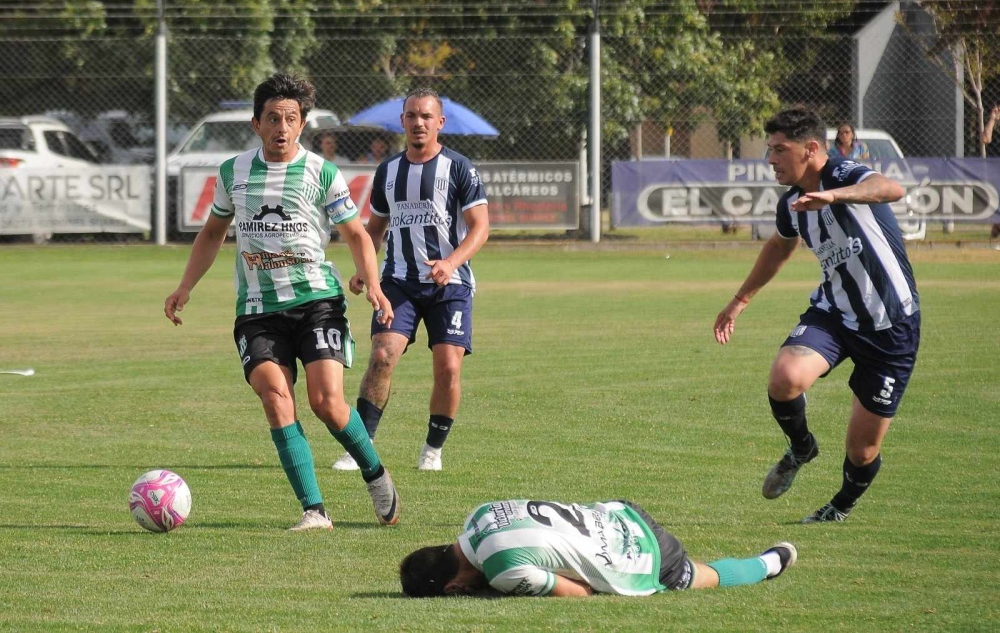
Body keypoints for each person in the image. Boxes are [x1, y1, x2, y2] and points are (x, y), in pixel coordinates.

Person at [163, 73, 401, 531]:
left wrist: (373, 284)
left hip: (317, 301)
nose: (282, 127)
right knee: (276, 398)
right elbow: (212, 232)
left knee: (327, 403)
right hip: (257, 310)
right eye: (273, 118)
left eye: (291, 119)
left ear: (303, 123)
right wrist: (185, 286)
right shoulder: (234, 172)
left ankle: (374, 473)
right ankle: (314, 511)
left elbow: (356, 234)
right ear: (256, 124)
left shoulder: (321, 173)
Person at [714, 108, 920, 524]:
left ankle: (840, 505)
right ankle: (802, 446)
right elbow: (779, 246)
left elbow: (890, 188)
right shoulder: (791, 204)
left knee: (862, 451)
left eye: (779, 150)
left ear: (810, 149)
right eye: (769, 150)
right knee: (785, 378)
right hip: (835, 314)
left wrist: (835, 196)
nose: (770, 159)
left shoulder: (845, 173)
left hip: (890, 324)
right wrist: (740, 300)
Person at [332, 88, 490, 472]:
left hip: (449, 286)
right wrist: (362, 270)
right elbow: (374, 230)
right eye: (411, 116)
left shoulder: (459, 168)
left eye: (425, 116)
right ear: (402, 121)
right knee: (382, 355)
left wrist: (450, 262)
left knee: (449, 367)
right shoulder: (388, 171)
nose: (418, 123)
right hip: (398, 282)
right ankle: (362, 446)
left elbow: (480, 227)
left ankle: (433, 449)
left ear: (440, 123)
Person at [399, 499, 797, 597]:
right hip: (619, 513)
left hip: (639, 554)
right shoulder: (479, 513)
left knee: (700, 578)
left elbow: (581, 593)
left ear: (452, 587)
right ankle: (770, 559)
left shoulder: (504, 572)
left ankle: (769, 563)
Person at [981, 105, 1000, 238]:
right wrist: (992, 119)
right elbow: (985, 139)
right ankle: (996, 227)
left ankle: (996, 227)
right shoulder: (994, 131)